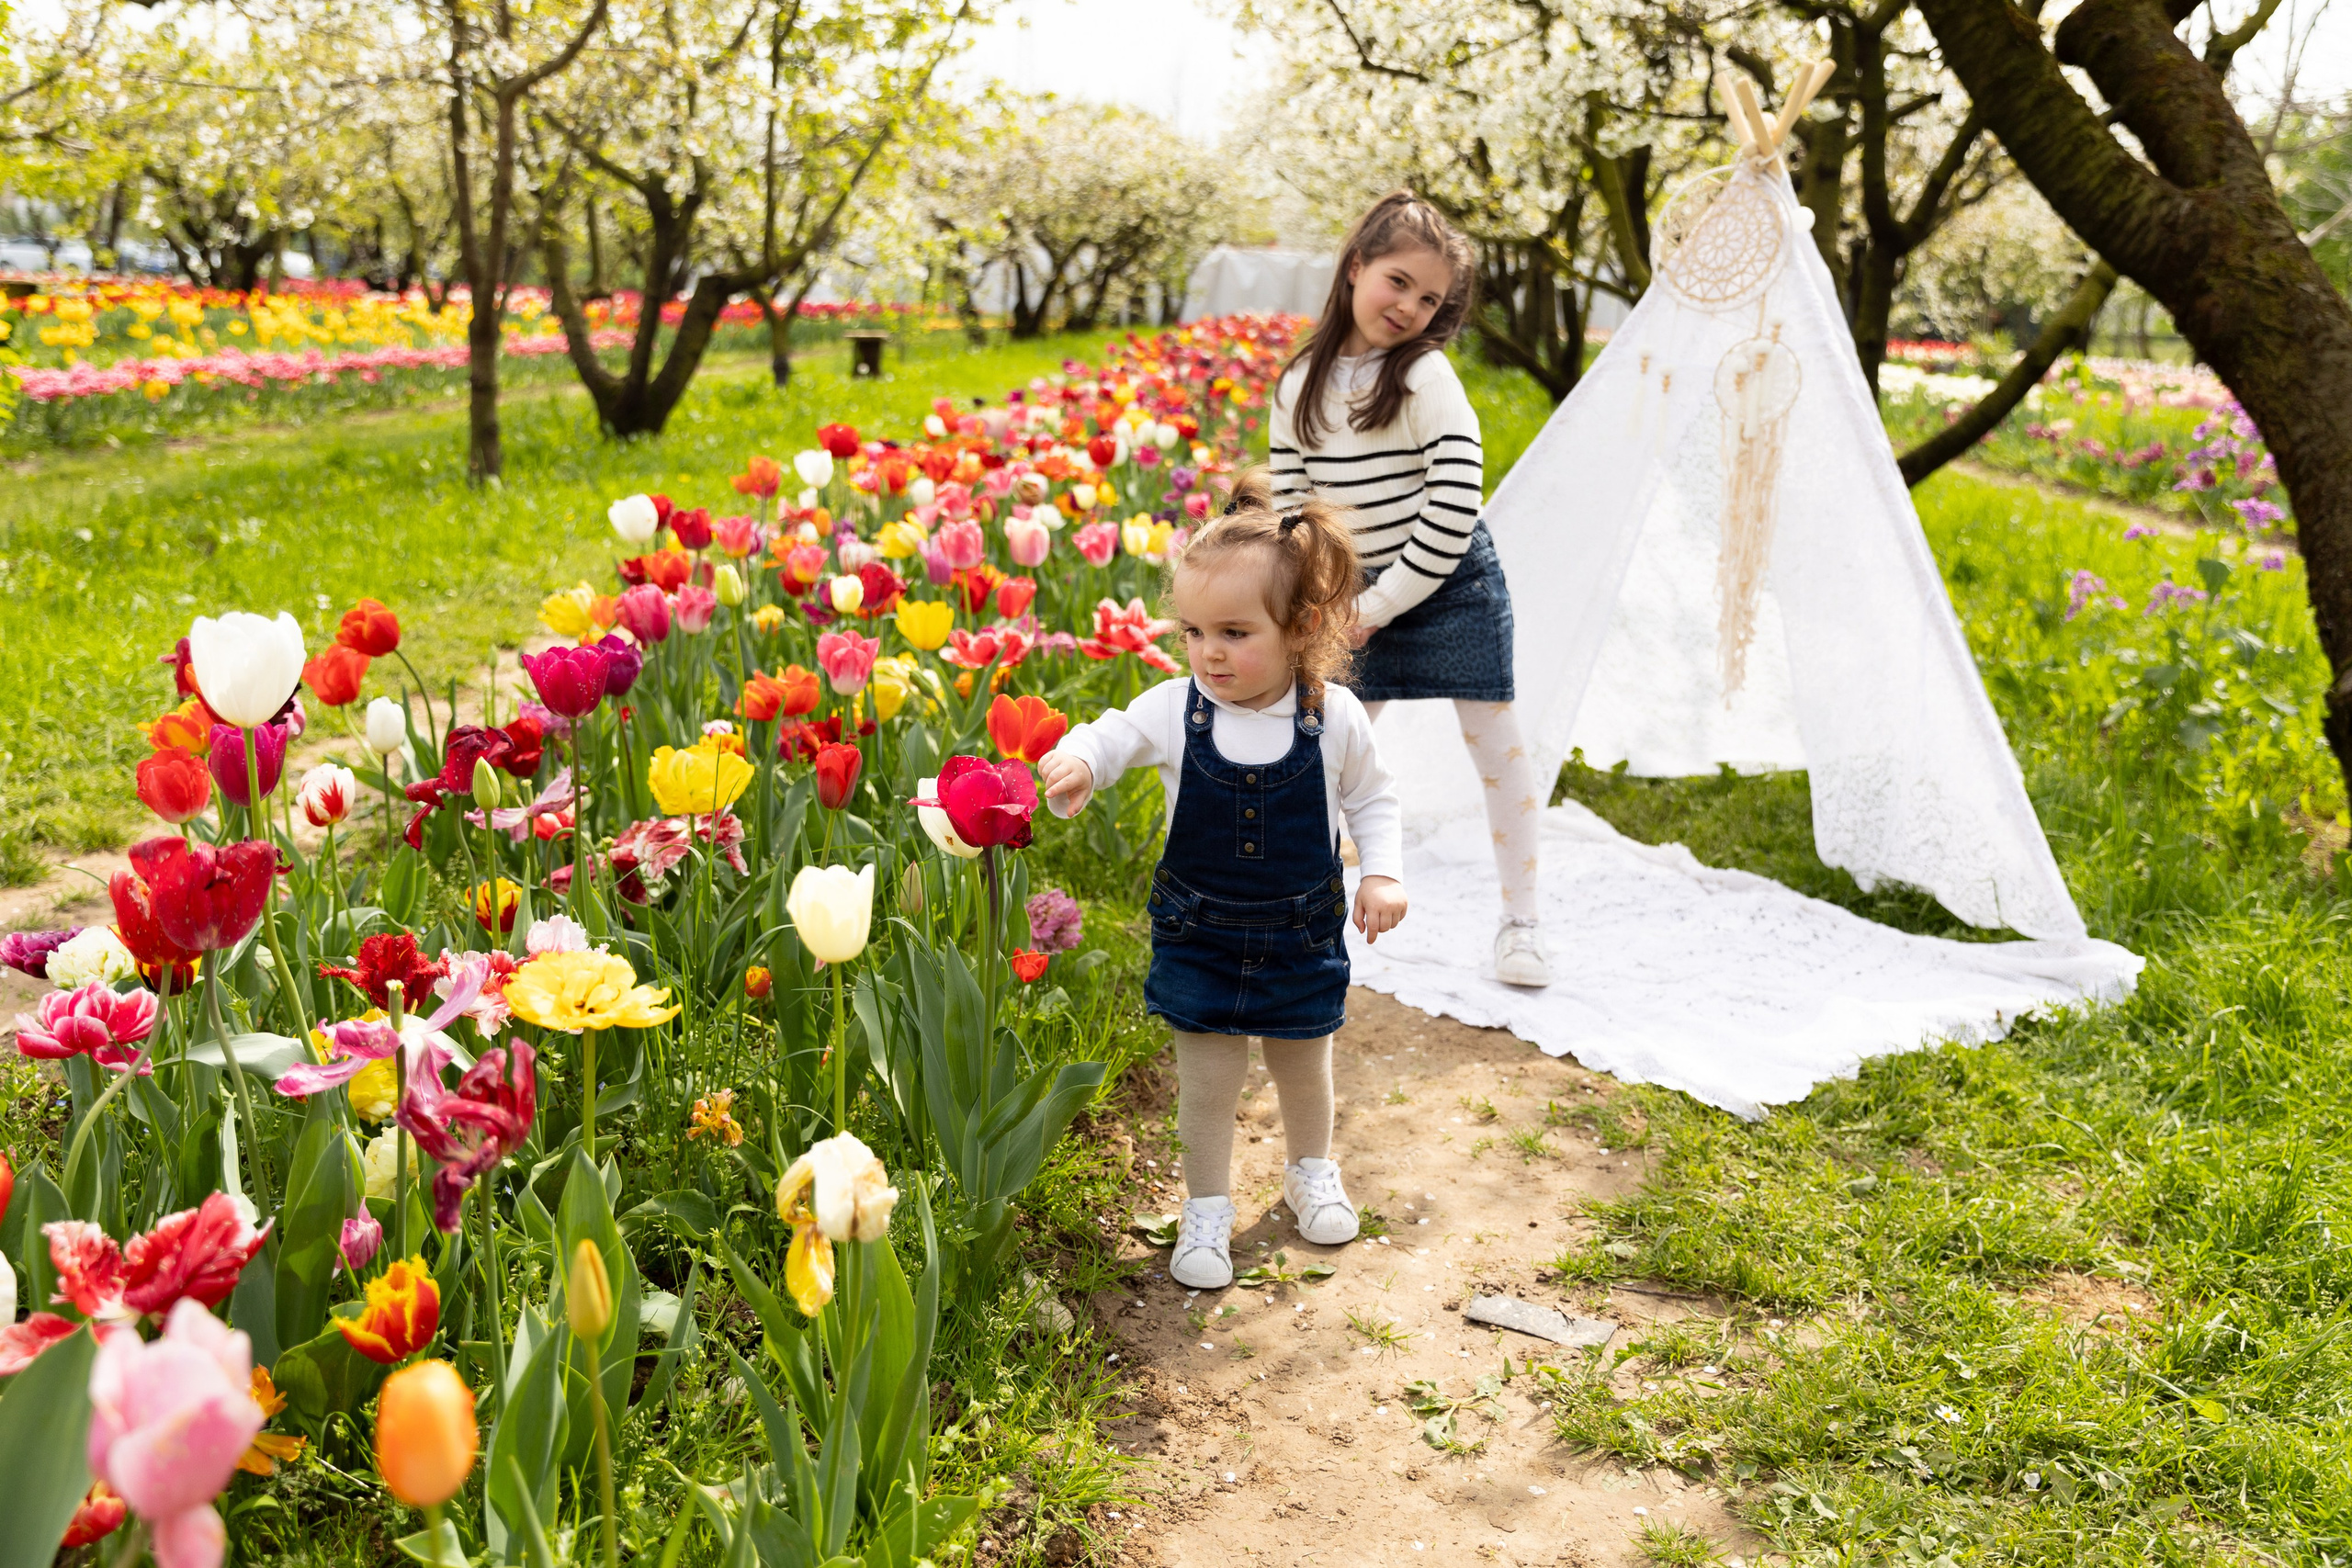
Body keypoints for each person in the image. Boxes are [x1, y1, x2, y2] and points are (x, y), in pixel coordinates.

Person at [1041, 473, 1406, 1291]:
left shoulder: (1333, 715)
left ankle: (1309, 1168)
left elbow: (1374, 796)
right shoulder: (1177, 707)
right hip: (1200, 935)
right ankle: (1205, 1205)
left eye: (1235, 632)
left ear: (1302, 626)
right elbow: (1114, 734)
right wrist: (1080, 762)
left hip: (1298, 933)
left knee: (1302, 1065)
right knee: (1207, 1081)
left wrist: (1380, 872)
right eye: (1195, 630)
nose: (1209, 651)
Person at [1270, 189, 1548, 987]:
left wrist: (1380, 607)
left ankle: (1522, 923)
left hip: (1447, 578)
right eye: (1398, 281)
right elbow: (1294, 511)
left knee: (1496, 745)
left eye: (1430, 298)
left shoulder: (1426, 374)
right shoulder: (1298, 387)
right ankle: (1301, 908)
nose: (1411, 307)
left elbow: (1455, 502)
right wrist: (1321, 599)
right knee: (1321, 747)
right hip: (1350, 592)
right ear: (1356, 266)